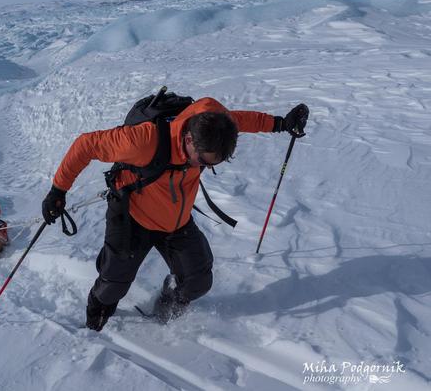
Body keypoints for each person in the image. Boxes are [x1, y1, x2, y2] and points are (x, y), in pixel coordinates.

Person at [42, 96, 309, 331]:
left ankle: (166, 308)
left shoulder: (216, 124)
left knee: (198, 281)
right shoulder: (143, 141)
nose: (205, 166)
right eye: (203, 161)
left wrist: (280, 124)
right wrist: (58, 191)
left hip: (175, 220)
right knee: (114, 284)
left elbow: (241, 120)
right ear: (189, 138)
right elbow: (86, 145)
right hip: (132, 216)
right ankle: (95, 319)